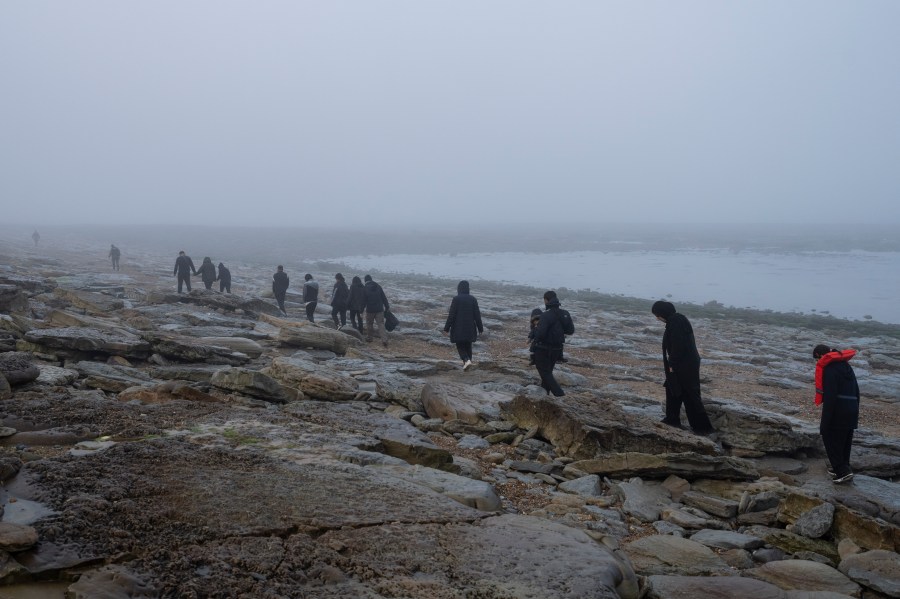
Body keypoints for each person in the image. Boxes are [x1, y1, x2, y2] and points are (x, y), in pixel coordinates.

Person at [651, 300, 715, 435]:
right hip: (684, 363)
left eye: (657, 315)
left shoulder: (676, 322)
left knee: (689, 394)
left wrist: (672, 365)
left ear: (662, 313)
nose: (657, 318)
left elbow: (678, 346)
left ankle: (702, 428)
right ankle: (672, 419)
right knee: (673, 388)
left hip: (684, 365)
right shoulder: (677, 319)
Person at [813, 345, 860, 484]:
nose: (817, 363)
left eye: (816, 359)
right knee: (845, 440)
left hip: (839, 409)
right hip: (852, 407)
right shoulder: (846, 366)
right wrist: (856, 410)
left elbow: (831, 397)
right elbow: (857, 390)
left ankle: (842, 471)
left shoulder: (829, 369)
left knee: (829, 437)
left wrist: (825, 422)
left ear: (819, 355)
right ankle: (843, 467)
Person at [531, 290, 574, 396]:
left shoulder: (546, 315)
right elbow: (570, 331)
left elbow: (540, 334)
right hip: (558, 349)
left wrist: (534, 331)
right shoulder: (565, 313)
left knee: (544, 372)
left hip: (543, 348)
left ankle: (559, 394)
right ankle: (545, 393)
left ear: (546, 300)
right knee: (548, 372)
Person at [443, 280, 484, 370]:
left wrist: (446, 328)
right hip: (470, 328)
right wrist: (480, 328)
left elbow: (451, 315)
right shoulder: (473, 299)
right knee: (468, 346)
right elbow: (477, 315)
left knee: (460, 346)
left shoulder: (456, 299)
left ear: (459, 288)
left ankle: (466, 360)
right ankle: (468, 364)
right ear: (468, 288)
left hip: (458, 328)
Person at [363, 274, 390, 347]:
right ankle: (384, 340)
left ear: (365, 281)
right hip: (379, 309)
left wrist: (361, 309)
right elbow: (384, 297)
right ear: (371, 279)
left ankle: (369, 338)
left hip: (370, 310)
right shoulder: (378, 286)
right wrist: (387, 306)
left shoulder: (365, 288)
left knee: (369, 324)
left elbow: (363, 300)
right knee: (381, 324)